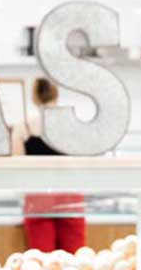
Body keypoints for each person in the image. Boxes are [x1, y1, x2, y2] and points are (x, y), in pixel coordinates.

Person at [11, 76, 87, 253]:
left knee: (43, 261)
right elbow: (81, 161)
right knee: (75, 260)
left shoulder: (23, 126)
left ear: (34, 97)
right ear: (56, 94)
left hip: (38, 197)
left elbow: (17, 164)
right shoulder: (72, 124)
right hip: (70, 196)